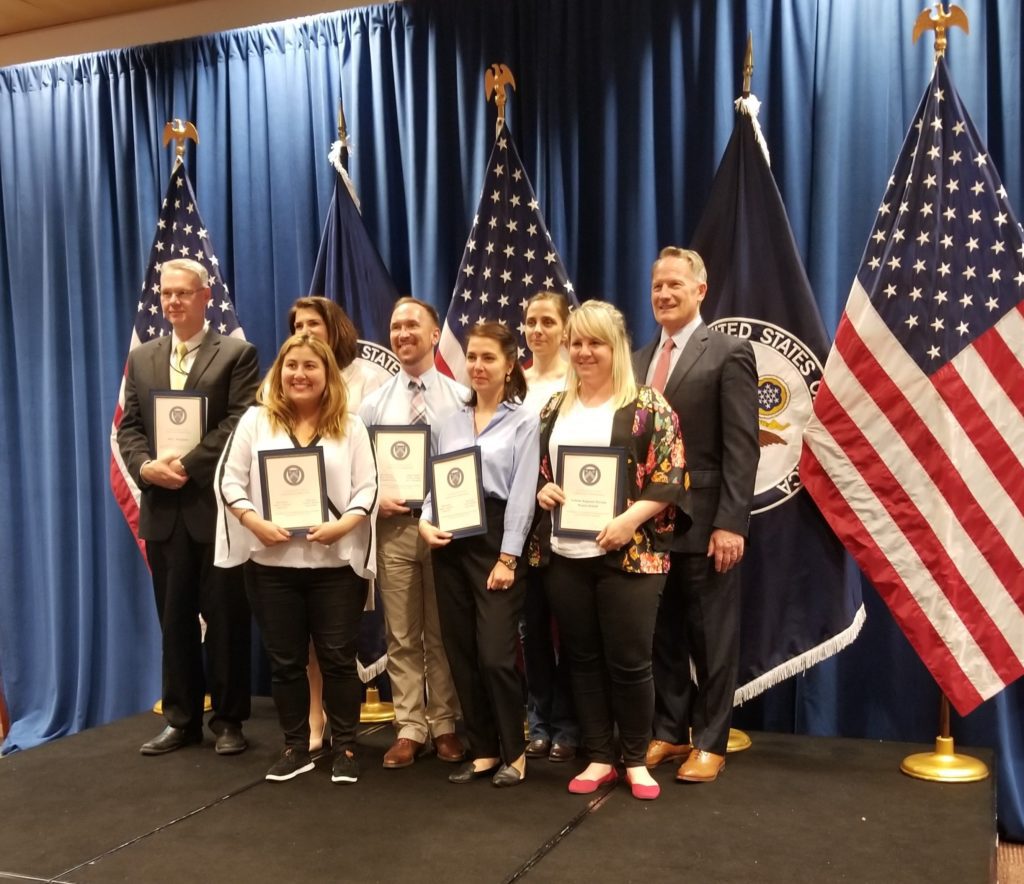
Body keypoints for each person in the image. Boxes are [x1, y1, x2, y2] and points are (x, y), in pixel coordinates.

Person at [534, 300, 687, 801]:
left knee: (630, 661)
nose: (583, 352)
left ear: (616, 346)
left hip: (632, 555)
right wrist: (546, 492)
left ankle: (636, 760)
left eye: (594, 342)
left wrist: (627, 520)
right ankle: (600, 756)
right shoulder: (556, 407)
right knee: (581, 659)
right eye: (576, 342)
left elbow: (671, 475)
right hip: (566, 555)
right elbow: (542, 473)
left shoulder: (648, 404)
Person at [215, 334, 378, 783]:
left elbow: (368, 487)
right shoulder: (254, 422)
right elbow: (230, 482)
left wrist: (344, 525)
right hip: (272, 566)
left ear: (327, 375)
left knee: (338, 659)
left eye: (310, 366)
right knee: (285, 661)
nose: (299, 375)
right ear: (278, 372)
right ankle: (295, 745)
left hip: (335, 565)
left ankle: (345, 747)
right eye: (291, 366)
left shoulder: (352, 425)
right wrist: (253, 522)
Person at [117, 257, 258, 757]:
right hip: (162, 508)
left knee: (225, 619)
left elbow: (240, 422)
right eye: (166, 295)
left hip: (214, 508)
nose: (173, 302)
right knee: (173, 619)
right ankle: (181, 719)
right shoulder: (143, 358)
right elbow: (129, 427)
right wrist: (145, 467)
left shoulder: (237, 354)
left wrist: (189, 465)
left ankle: (229, 721)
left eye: (183, 294)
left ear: (204, 297)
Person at [633, 247, 758, 783]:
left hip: (707, 524)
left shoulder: (728, 352)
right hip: (647, 527)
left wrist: (731, 522)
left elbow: (743, 446)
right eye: (658, 285)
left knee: (712, 637)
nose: (664, 294)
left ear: (700, 291)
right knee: (661, 635)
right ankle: (668, 731)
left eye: (675, 286)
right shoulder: (636, 360)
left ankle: (711, 740)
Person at [419, 322, 540, 787]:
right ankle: (485, 749)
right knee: (461, 651)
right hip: (449, 540)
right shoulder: (448, 419)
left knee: (495, 654)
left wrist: (508, 558)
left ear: (510, 364)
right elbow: (435, 482)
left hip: (495, 542)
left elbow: (524, 494)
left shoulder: (524, 419)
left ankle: (516, 751)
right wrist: (426, 522)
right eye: (471, 357)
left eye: (488, 357)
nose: (477, 366)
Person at [358, 297, 466, 769]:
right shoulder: (372, 404)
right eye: (396, 326)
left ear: (435, 331)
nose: (403, 334)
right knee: (401, 631)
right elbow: (360, 469)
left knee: (442, 632)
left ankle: (444, 723)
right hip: (395, 529)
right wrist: (375, 495)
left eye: (412, 325)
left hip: (445, 530)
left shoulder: (462, 397)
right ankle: (409, 726)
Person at [287, 296, 391, 752]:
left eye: (314, 323)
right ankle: (314, 715)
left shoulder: (369, 378)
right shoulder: (289, 382)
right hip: (301, 527)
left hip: (361, 518)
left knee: (340, 633)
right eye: (298, 324)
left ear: (336, 328)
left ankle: (349, 725)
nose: (306, 330)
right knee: (307, 634)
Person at [520, 292, 579, 763]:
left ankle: (570, 723)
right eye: (530, 322)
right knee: (532, 631)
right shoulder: (512, 381)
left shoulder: (579, 380)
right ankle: (539, 721)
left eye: (546, 322)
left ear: (565, 328)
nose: (537, 330)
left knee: (574, 630)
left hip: (574, 522)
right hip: (523, 527)